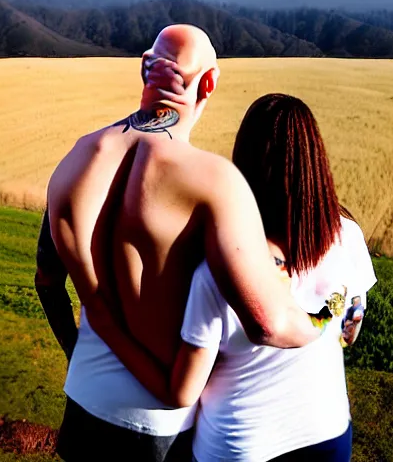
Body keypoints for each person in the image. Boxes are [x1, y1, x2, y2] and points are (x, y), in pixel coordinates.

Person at [35, 27, 320, 461]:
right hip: (160, 432)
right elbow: (268, 324)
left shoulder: (76, 159)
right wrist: (322, 324)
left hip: (83, 406)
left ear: (144, 70)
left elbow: (47, 281)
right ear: (208, 83)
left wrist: (78, 353)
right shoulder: (214, 183)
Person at [92, 94, 377, 461]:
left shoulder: (218, 269)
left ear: (242, 166)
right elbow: (349, 333)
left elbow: (183, 391)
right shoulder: (347, 235)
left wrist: (107, 326)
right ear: (316, 161)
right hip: (327, 433)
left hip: (240, 445)